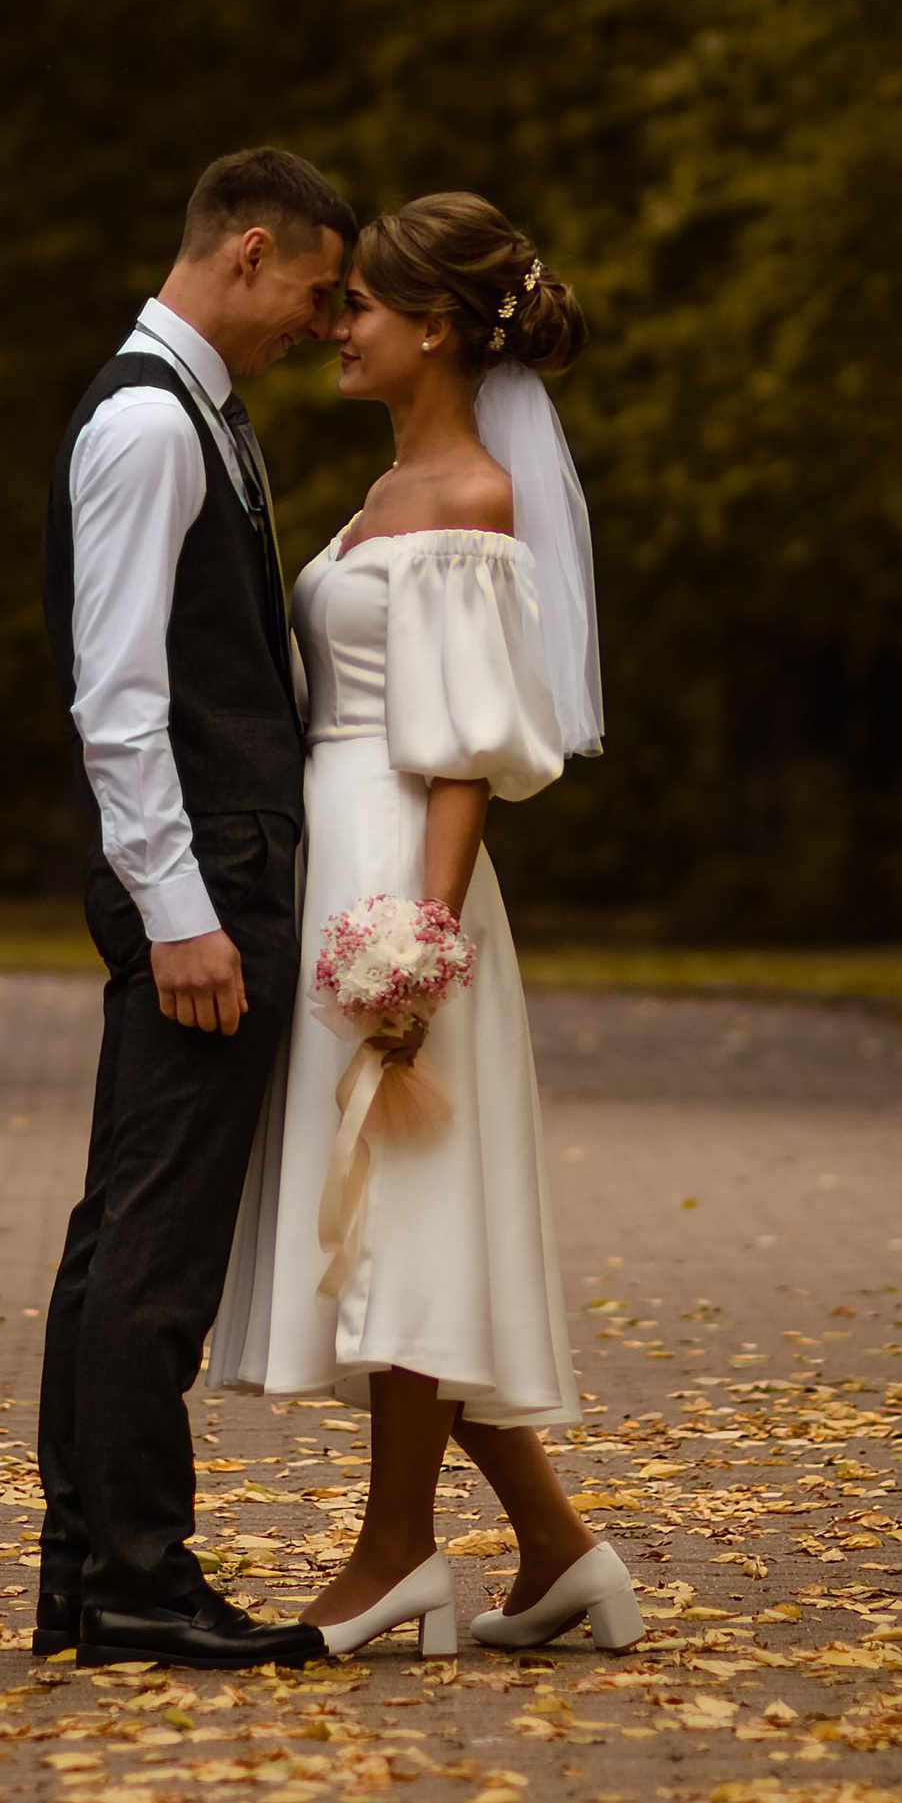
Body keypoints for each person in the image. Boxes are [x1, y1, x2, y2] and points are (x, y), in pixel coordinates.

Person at [212, 192, 643, 1661]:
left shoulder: (465, 501)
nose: (340, 327)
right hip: (349, 857)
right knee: (401, 1224)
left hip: (403, 872)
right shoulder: (390, 488)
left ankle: (396, 1552)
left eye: (366, 309)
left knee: (402, 1218)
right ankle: (559, 1550)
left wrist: (417, 941)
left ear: (438, 327)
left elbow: (462, 753)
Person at [34, 146, 359, 1669]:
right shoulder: (152, 429)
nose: (322, 317)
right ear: (244, 251)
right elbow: (120, 697)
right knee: (155, 1247)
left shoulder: (192, 415)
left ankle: (89, 1574)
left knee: (121, 1235)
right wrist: (178, 909)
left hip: (216, 863)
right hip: (203, 877)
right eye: (311, 287)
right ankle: (140, 1585)